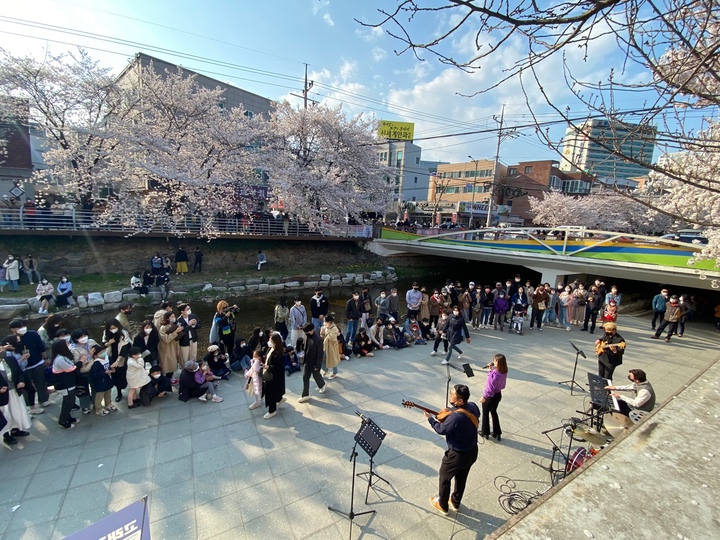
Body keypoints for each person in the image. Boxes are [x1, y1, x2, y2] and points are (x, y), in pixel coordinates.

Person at [425, 384, 480, 515]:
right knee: (461, 478)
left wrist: (430, 419)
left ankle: (442, 505)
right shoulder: (473, 406)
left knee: (444, 477)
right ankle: (455, 502)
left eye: (452, 395)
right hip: (472, 451)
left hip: (457, 455)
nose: (450, 396)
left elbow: (441, 429)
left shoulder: (455, 418)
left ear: (460, 401)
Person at [8, 319, 49, 414]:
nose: (22, 329)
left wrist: (45, 358)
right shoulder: (11, 340)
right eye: (19, 327)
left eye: (22, 326)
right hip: (23, 367)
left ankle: (43, 399)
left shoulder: (33, 334)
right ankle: (29, 405)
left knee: (41, 382)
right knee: (27, 388)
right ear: (13, 330)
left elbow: (41, 347)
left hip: (37, 362)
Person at [50, 339, 79, 428]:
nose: (69, 345)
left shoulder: (63, 356)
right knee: (69, 401)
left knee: (67, 401)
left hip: (68, 383)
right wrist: (81, 361)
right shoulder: (60, 359)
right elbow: (72, 368)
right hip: (64, 384)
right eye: (67, 344)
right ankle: (63, 420)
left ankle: (67, 417)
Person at [480, 354, 508, 441]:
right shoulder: (504, 371)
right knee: (494, 412)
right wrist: (490, 369)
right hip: (498, 395)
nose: (493, 362)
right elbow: (495, 378)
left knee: (485, 413)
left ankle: (485, 432)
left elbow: (489, 388)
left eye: (495, 361)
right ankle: (497, 432)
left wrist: (484, 397)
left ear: (498, 363)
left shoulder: (493, 374)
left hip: (490, 397)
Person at [102, 318, 131, 403]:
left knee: (124, 373)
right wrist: (109, 343)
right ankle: (119, 393)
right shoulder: (106, 333)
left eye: (114, 328)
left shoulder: (123, 333)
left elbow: (125, 348)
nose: (112, 330)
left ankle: (130, 389)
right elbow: (104, 344)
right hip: (111, 355)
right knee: (115, 375)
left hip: (122, 357)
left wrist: (118, 360)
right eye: (110, 328)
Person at [298, 323, 326, 403]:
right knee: (305, 377)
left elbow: (320, 354)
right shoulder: (309, 336)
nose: (305, 334)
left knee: (316, 375)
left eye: (306, 332)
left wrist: (318, 365)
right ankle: (305, 395)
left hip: (314, 362)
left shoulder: (318, 340)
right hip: (307, 361)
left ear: (311, 331)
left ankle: (322, 384)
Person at [262, 333, 285, 419]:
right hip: (272, 375)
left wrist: (268, 367)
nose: (269, 341)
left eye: (271, 340)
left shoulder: (278, 353)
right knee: (273, 391)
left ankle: (272, 410)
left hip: (274, 377)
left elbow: (278, 367)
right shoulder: (271, 349)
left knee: (270, 393)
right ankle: (279, 398)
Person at [88, 344, 116, 416]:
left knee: (108, 393)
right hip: (99, 382)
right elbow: (94, 374)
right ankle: (98, 409)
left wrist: (112, 368)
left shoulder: (108, 358)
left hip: (108, 379)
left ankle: (108, 404)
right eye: (100, 353)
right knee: (99, 396)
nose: (103, 353)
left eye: (104, 351)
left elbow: (112, 365)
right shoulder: (95, 363)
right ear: (95, 355)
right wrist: (104, 372)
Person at [159, 312, 184, 384]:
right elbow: (166, 339)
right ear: (167, 318)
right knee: (168, 364)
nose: (174, 317)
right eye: (172, 316)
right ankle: (168, 379)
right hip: (166, 348)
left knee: (173, 363)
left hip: (174, 346)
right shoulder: (163, 328)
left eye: (174, 316)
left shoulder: (173, 325)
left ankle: (171, 377)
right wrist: (176, 332)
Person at [320, 314, 341, 379]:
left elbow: (332, 338)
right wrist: (322, 332)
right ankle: (325, 370)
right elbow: (322, 336)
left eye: (325, 322)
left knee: (333, 360)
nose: (324, 323)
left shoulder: (334, 328)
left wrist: (327, 331)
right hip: (325, 346)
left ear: (329, 322)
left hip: (331, 347)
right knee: (322, 359)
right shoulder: (325, 327)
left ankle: (334, 373)